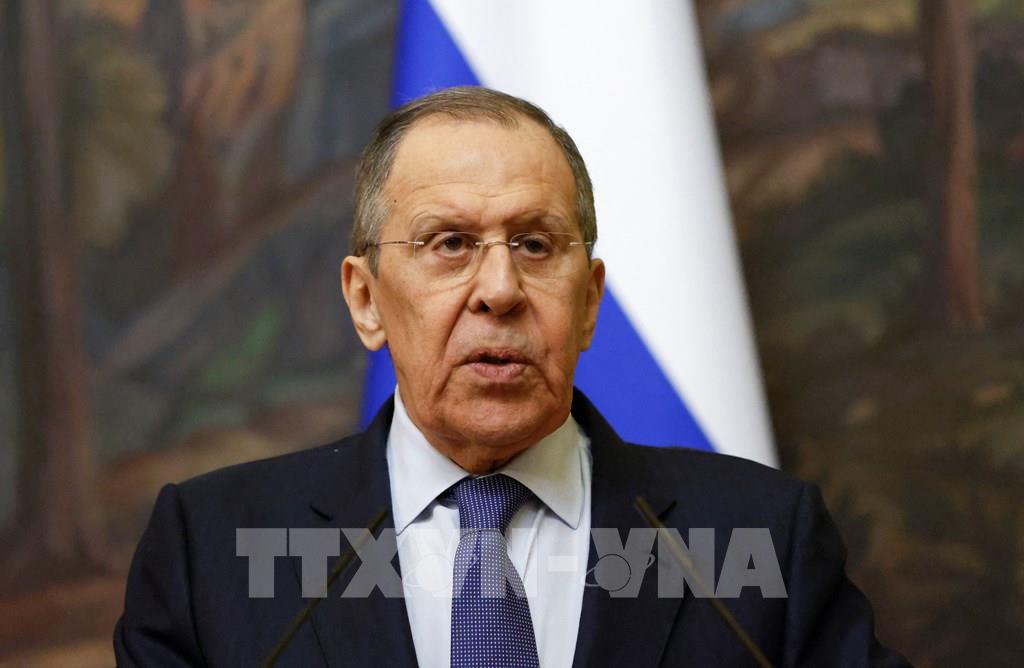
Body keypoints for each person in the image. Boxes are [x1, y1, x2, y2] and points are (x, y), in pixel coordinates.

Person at [114, 87, 908, 667]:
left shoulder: (759, 538)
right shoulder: (209, 548)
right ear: (366, 300)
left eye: (534, 244)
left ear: (588, 302)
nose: (499, 289)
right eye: (449, 243)